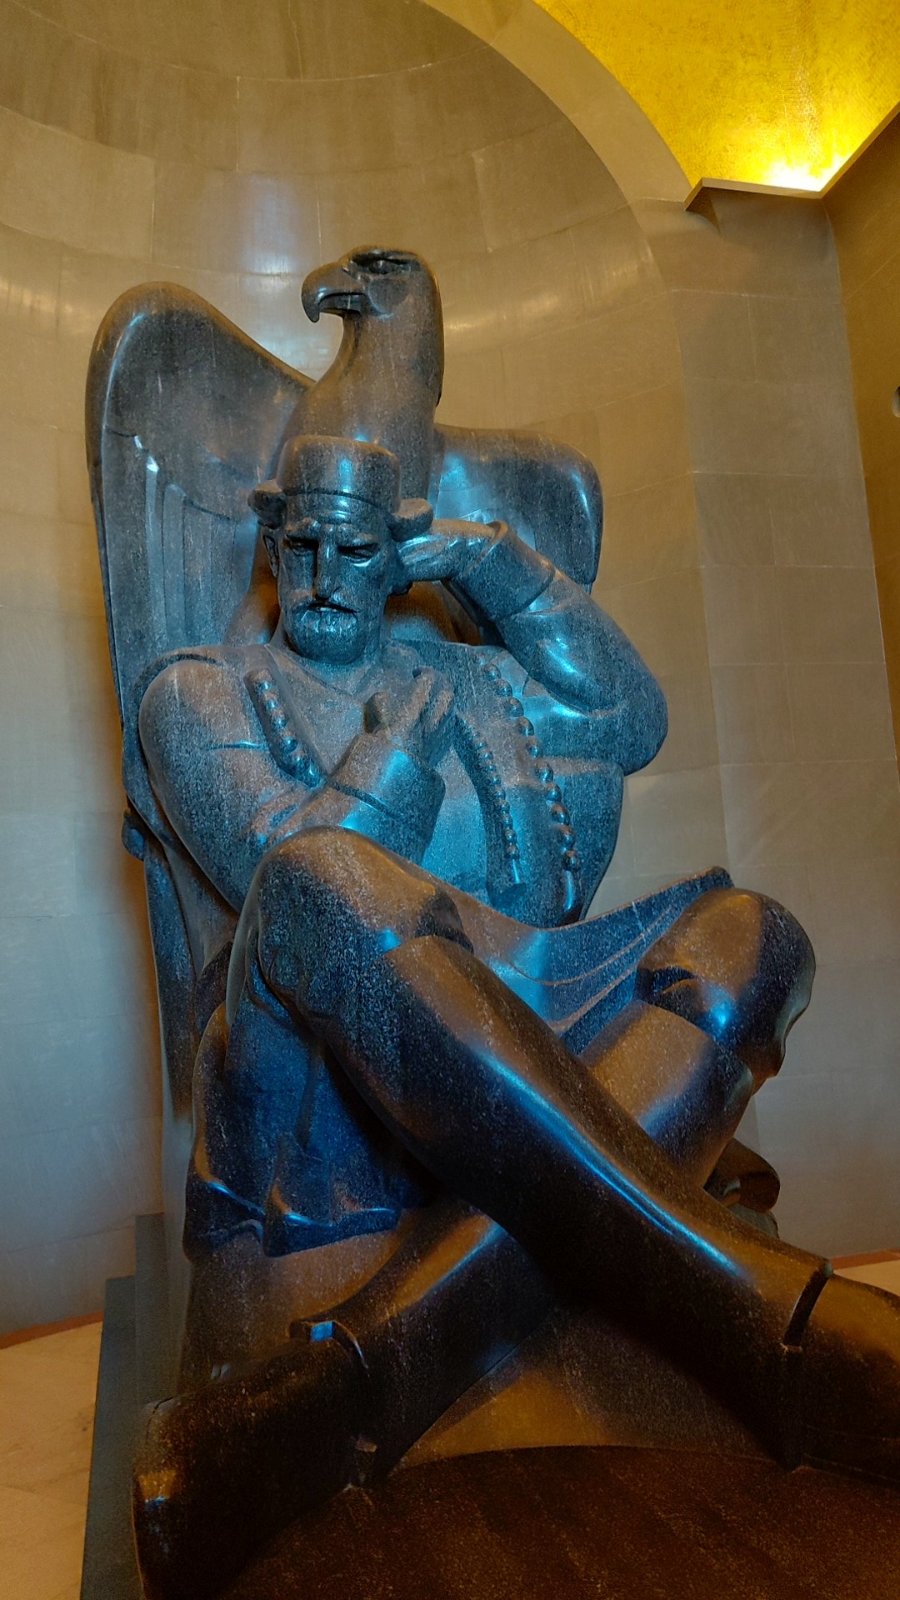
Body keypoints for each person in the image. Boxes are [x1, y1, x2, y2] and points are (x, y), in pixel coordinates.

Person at [133, 434, 900, 1600]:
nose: (329, 575)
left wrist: (485, 559)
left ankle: (346, 1389)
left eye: (359, 548)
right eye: (305, 546)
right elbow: (270, 872)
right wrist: (393, 754)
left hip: (511, 1014)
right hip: (311, 1074)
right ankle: (757, 1318)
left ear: (395, 554)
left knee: (753, 936)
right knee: (319, 878)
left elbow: (629, 717)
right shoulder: (197, 692)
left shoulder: (467, 676)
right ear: (272, 549)